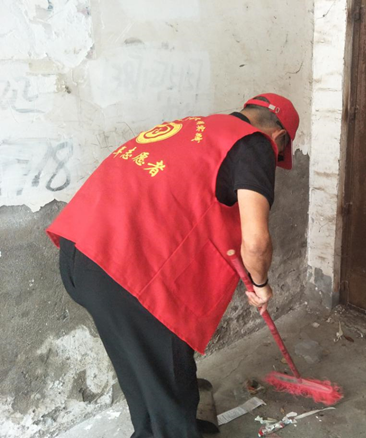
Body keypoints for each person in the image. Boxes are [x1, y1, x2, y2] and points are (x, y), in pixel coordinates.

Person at [46, 93, 299, 438]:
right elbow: (256, 242)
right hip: (127, 272)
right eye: (278, 153)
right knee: (169, 384)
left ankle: (153, 430)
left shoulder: (193, 127)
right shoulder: (254, 143)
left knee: (143, 370)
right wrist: (261, 284)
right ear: (279, 137)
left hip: (79, 254)